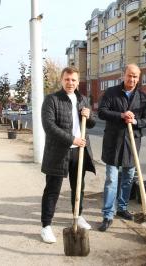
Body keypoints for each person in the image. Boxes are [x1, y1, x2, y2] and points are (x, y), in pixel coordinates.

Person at [40, 67, 96, 243]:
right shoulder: (52, 100)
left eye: (73, 80)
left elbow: (91, 124)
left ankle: (77, 216)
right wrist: (72, 139)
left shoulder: (83, 99)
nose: (70, 83)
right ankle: (46, 226)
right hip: (58, 152)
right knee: (52, 190)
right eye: (67, 79)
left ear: (78, 82)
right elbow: (49, 126)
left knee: (78, 186)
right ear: (61, 80)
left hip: (79, 152)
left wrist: (89, 115)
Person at [98, 64, 146, 232]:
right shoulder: (111, 93)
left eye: (135, 76)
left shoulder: (142, 97)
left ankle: (122, 208)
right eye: (129, 75)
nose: (132, 79)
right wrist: (121, 115)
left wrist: (136, 122)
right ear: (124, 75)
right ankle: (107, 215)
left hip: (132, 144)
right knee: (112, 180)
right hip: (113, 142)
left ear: (139, 77)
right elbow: (101, 112)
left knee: (128, 178)